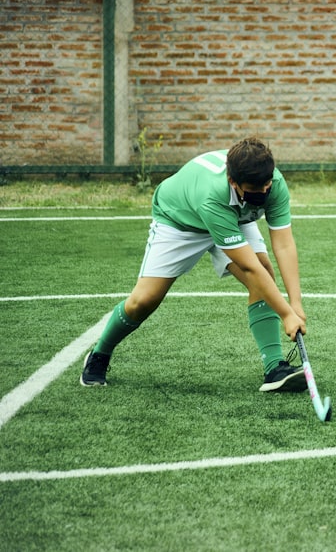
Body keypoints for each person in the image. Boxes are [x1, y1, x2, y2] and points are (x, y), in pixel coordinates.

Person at [81, 137, 309, 393]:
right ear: (233, 182)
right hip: (180, 220)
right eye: (254, 191)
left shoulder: (273, 182)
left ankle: (274, 368)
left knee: (264, 275)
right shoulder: (213, 195)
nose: (263, 194)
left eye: (266, 187)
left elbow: (284, 245)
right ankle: (100, 353)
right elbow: (248, 267)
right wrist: (286, 314)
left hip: (234, 216)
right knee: (143, 301)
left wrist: (296, 304)